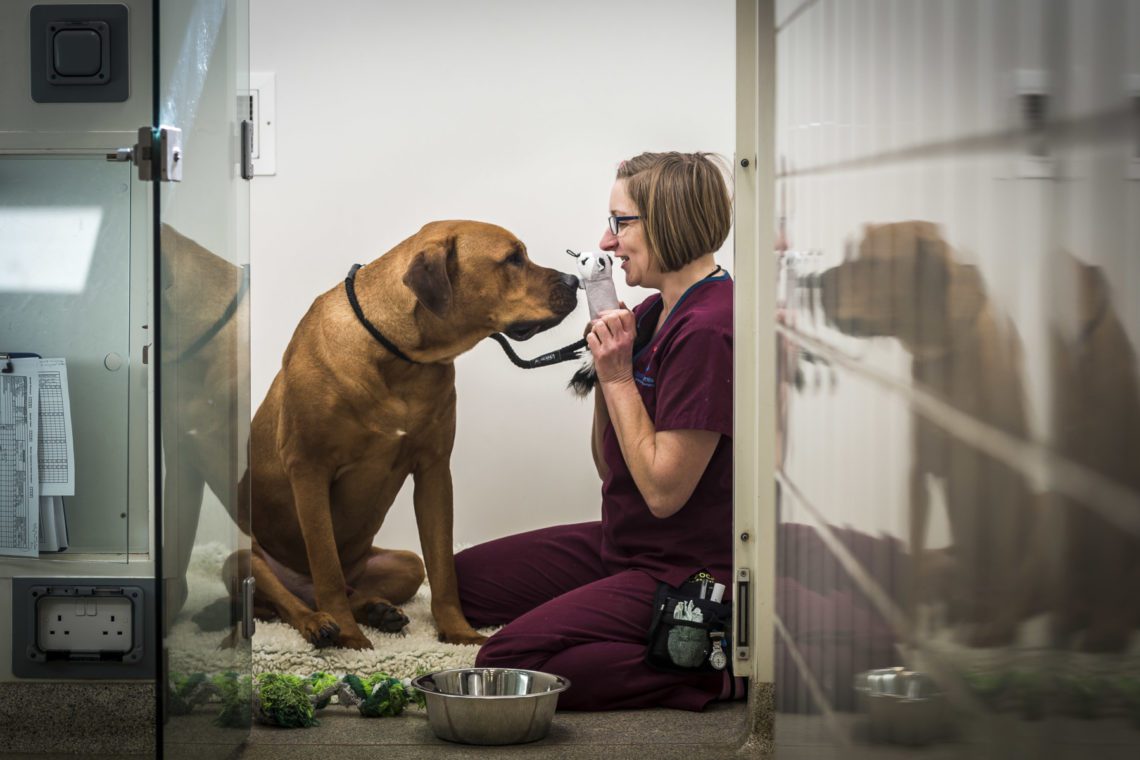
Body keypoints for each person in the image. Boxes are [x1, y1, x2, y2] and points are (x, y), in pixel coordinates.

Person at [455, 151, 736, 710]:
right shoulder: (657, 312)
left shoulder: (710, 329)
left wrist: (616, 373)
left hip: (687, 571)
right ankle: (625, 620)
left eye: (619, 222)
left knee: (508, 662)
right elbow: (612, 466)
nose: (606, 243)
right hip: (625, 545)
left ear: (668, 221)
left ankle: (717, 667)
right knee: (459, 584)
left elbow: (661, 491)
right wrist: (606, 364)